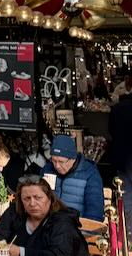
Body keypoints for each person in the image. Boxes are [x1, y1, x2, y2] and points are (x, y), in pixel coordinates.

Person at [40, 134, 104, 221]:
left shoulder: (90, 173)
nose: (57, 166)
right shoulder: (47, 169)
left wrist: (84, 229)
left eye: (61, 162)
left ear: (73, 158)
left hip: (76, 225)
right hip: (49, 223)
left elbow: (95, 212)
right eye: (54, 160)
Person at [109, 93, 132, 231]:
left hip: (121, 156)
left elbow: (111, 131)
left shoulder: (117, 109)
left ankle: (128, 230)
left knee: (125, 193)